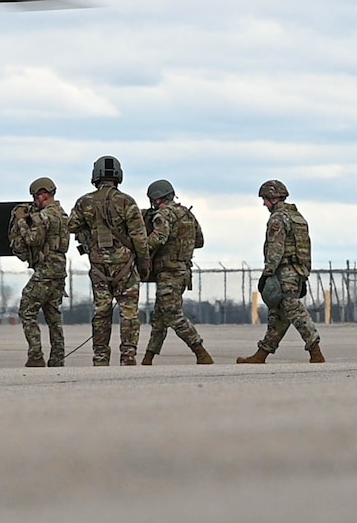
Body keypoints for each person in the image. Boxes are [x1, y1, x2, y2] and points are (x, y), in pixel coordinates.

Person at [67, 156, 150, 366]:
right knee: (129, 312)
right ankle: (128, 355)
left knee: (101, 311)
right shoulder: (127, 202)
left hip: (99, 267)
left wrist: (89, 235)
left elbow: (71, 226)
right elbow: (139, 237)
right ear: (118, 176)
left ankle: (100, 357)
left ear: (95, 176)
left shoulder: (84, 202)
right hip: (126, 267)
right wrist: (144, 264)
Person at [239, 180, 324, 363]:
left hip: (284, 271)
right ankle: (262, 354)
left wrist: (268, 271)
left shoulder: (278, 218)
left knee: (294, 310)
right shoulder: (297, 217)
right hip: (297, 270)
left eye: (265, 199)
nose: (264, 204)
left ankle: (315, 350)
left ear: (273, 197)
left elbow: (275, 248)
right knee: (277, 315)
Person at [141, 180, 212, 365]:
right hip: (182, 272)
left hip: (168, 272)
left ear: (157, 198)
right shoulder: (188, 215)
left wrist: (140, 249)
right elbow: (200, 241)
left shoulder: (163, 215)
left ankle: (200, 351)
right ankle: (148, 359)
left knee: (172, 315)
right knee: (159, 318)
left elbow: (159, 238)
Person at [12, 177, 70, 367]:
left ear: (43, 194)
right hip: (59, 268)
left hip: (47, 269)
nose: (34, 201)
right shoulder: (62, 214)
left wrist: (21, 221)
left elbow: (32, 239)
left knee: (26, 310)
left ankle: (36, 354)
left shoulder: (45, 216)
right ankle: (57, 358)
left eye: (35, 197)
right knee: (53, 316)